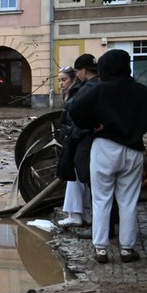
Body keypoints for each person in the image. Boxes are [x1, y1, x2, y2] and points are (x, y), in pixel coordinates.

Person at [68, 50, 147, 264]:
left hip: (104, 148)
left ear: (104, 68)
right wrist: (143, 127)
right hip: (133, 149)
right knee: (128, 201)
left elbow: (75, 109)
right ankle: (127, 249)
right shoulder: (140, 90)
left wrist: (93, 125)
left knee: (101, 199)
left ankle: (100, 249)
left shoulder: (100, 89)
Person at [55, 59, 96, 228]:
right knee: (82, 178)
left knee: (74, 177)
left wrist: (68, 137)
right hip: (80, 140)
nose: (61, 84)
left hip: (77, 140)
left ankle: (75, 215)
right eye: (59, 80)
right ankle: (85, 213)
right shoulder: (77, 92)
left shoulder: (77, 94)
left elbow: (73, 120)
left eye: (64, 80)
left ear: (74, 78)